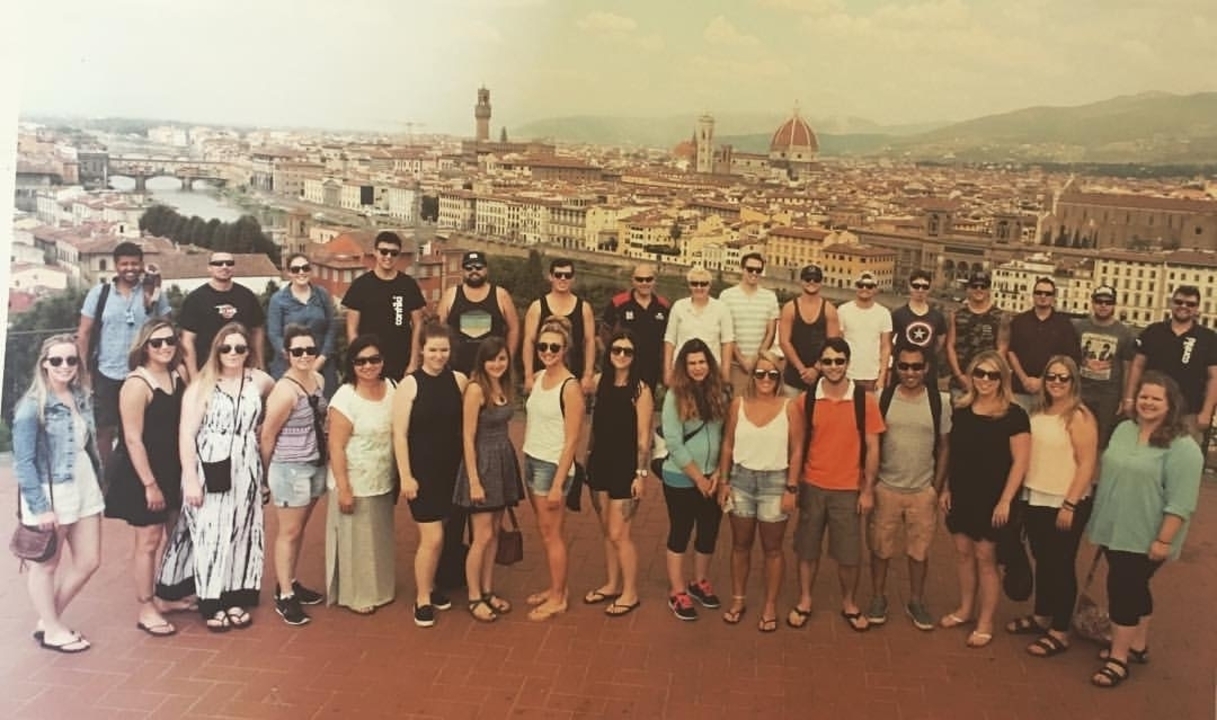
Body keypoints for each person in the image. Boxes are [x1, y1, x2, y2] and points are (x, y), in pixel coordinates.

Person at [1086, 372, 1203, 688]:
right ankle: (1137, 645)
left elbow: (1182, 501)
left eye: (1156, 398)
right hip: (1114, 526)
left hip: (1147, 534)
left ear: (1170, 404)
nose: (1148, 403)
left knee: (1123, 589)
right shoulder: (1125, 429)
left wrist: (1164, 539)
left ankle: (1118, 658)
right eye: (1144, 396)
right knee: (1136, 587)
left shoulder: (1184, 448)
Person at [159, 322, 274, 632]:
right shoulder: (202, 385)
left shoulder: (259, 381)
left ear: (248, 351)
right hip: (209, 464)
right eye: (226, 348)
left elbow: (277, 404)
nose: (232, 353)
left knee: (242, 530)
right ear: (216, 351)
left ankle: (235, 594)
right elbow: (186, 434)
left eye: (239, 348)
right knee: (211, 531)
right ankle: (211, 600)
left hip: (246, 464)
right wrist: (191, 479)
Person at [12, 334, 104, 653]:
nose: (64, 366)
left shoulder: (80, 396)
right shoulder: (31, 407)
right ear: (44, 364)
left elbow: (85, 445)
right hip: (53, 491)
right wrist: (40, 507)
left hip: (84, 482)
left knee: (89, 560)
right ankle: (52, 628)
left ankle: (48, 618)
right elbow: (22, 463)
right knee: (46, 564)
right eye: (57, 360)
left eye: (71, 360)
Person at [787, 337, 885, 633]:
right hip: (813, 484)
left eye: (839, 361)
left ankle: (849, 603)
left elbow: (873, 447)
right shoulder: (806, 400)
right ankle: (805, 600)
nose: (833, 367)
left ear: (847, 362)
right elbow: (798, 445)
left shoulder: (863, 401)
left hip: (847, 488)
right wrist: (793, 485)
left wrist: (867, 490)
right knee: (807, 549)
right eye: (827, 361)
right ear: (821, 363)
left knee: (848, 553)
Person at [103, 319, 192, 637]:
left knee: (174, 533)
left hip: (173, 469)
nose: (165, 347)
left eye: (170, 340)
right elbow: (132, 439)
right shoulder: (136, 385)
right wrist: (150, 485)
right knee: (148, 540)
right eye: (157, 343)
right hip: (143, 473)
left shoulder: (178, 374)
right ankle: (146, 606)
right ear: (144, 347)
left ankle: (166, 597)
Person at [1006, 355, 1098, 657]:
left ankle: (1060, 629)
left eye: (1063, 378)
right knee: (1043, 558)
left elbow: (1087, 465)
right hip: (1036, 497)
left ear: (1073, 382)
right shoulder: (1038, 411)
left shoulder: (1079, 416)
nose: (1057, 383)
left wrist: (1070, 504)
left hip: (1065, 501)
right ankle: (1042, 614)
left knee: (1061, 563)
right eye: (1051, 377)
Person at [939, 350, 1030, 649]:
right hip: (963, 493)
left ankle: (985, 620)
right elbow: (955, 454)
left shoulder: (1014, 415)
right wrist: (947, 488)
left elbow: (1020, 462)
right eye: (980, 373)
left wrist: (1006, 501)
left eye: (992, 375)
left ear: (1002, 378)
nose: (985, 380)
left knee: (985, 558)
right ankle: (965, 609)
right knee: (963, 553)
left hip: (994, 498)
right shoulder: (962, 409)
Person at [865, 345, 951, 631]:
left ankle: (916, 600)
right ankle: (878, 597)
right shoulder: (882, 398)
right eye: (903, 366)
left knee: (919, 552)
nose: (910, 372)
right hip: (886, 487)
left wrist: (936, 487)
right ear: (895, 368)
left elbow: (945, 446)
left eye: (916, 367)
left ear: (926, 368)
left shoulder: (941, 401)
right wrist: (870, 483)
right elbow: (871, 443)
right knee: (880, 549)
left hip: (921, 490)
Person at [392, 324, 468, 628]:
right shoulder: (409, 385)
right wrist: (406, 476)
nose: (438, 355)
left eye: (444, 350)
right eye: (433, 349)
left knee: (446, 534)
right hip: (422, 473)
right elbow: (399, 434)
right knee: (432, 537)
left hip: (452, 470)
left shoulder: (459, 380)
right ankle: (422, 597)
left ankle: (433, 586)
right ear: (422, 349)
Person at [716, 351, 798, 632]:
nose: (766, 379)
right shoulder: (738, 404)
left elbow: (797, 450)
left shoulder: (790, 406)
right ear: (752, 376)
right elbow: (727, 444)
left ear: (779, 378)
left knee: (773, 549)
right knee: (740, 544)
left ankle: (770, 604)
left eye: (772, 374)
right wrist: (724, 481)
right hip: (741, 479)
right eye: (760, 373)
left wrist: (792, 488)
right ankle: (738, 599)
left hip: (776, 482)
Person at [76, 241, 171, 468]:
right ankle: (108, 478)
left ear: (142, 265)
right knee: (104, 430)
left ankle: (139, 475)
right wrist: (84, 372)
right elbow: (84, 333)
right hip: (108, 372)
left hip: (144, 373)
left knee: (145, 429)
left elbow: (166, 329)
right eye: (124, 264)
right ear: (116, 266)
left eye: (135, 264)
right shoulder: (99, 294)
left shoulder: (154, 294)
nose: (130, 268)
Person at [258, 325, 329, 626]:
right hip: (289, 467)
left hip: (314, 463)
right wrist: (264, 476)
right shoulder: (284, 391)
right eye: (297, 351)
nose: (304, 356)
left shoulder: (318, 379)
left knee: (300, 530)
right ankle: (284, 594)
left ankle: (291, 580)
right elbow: (267, 436)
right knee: (288, 531)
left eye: (310, 350)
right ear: (287, 354)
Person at [452, 337, 524, 622]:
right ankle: (473, 597)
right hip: (482, 464)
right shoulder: (475, 390)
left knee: (494, 532)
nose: (497, 364)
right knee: (481, 536)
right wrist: (474, 480)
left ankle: (487, 589)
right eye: (492, 359)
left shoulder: (503, 385)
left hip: (502, 461)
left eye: (502, 359)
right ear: (482, 361)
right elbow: (467, 438)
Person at [325, 335, 398, 614]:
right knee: (354, 541)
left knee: (378, 539)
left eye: (374, 359)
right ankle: (356, 595)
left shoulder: (392, 387)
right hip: (353, 480)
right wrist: (344, 487)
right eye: (361, 361)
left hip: (381, 478)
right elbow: (336, 446)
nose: (368, 366)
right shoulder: (345, 397)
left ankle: (380, 589)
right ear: (352, 364)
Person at [583, 330, 653, 618]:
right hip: (600, 463)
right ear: (608, 353)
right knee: (605, 531)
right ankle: (612, 584)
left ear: (634, 356)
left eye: (627, 351)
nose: (621, 356)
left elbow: (643, 436)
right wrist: (586, 458)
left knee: (619, 533)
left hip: (626, 467)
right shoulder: (600, 383)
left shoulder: (641, 390)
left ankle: (630, 592)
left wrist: (641, 474)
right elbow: (595, 425)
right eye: (616, 350)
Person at [660, 338, 728, 621]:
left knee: (709, 531)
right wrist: (698, 477)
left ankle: (699, 581)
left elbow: (726, 437)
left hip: (713, 477)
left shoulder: (720, 393)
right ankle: (677, 591)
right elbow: (674, 442)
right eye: (692, 363)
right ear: (683, 367)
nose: (698, 368)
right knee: (681, 531)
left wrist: (720, 474)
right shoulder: (674, 395)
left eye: (702, 362)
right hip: (681, 477)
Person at [522, 316, 585, 621]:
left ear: (565, 349)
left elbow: (573, 440)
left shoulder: (570, 387)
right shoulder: (537, 378)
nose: (548, 351)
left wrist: (559, 483)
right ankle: (555, 587)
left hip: (552, 467)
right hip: (532, 460)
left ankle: (558, 597)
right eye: (543, 345)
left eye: (554, 347)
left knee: (552, 535)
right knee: (547, 531)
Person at [1124, 284, 1217, 445]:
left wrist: (1207, 412)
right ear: (1171, 304)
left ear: (1197, 309)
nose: (1184, 306)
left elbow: (1214, 377)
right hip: (1151, 409)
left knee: (1186, 460)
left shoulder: (1208, 338)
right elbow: (1137, 366)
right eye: (1179, 302)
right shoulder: (1153, 331)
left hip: (1190, 413)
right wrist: (1129, 398)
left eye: (1190, 304)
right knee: (1147, 454)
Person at [342, 231, 426, 381]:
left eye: (394, 253)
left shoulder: (408, 285)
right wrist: (359, 360)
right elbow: (351, 329)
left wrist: (413, 362)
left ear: (399, 255)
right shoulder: (360, 286)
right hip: (369, 362)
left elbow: (418, 324)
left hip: (401, 361)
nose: (388, 256)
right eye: (384, 251)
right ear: (375, 252)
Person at [179, 252, 266, 377]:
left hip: (241, 367)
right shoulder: (195, 299)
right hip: (207, 369)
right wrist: (193, 375)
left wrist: (259, 362)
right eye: (218, 263)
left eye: (229, 263)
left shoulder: (247, 296)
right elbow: (187, 340)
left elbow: (257, 330)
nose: (224, 266)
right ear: (209, 268)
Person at [436, 250, 519, 375]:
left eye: (478, 267)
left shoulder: (501, 295)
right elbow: (437, 330)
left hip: (493, 369)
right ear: (463, 271)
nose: (474, 271)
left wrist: (507, 358)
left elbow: (514, 328)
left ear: (486, 269)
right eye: (469, 268)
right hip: (456, 369)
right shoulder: (450, 294)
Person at [266, 253, 339, 394]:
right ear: (288, 273)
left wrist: (321, 358)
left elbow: (331, 327)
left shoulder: (322, 294)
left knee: (325, 405)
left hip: (322, 363)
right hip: (289, 365)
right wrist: (297, 359)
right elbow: (274, 335)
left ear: (310, 270)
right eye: (295, 269)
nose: (301, 272)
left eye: (305, 268)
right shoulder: (278, 300)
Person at [522, 259, 597, 394]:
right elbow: (529, 342)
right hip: (543, 374)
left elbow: (590, 342)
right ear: (550, 277)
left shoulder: (584, 309)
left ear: (573, 278)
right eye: (558, 275)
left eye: (567, 275)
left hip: (574, 375)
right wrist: (528, 376)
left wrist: (588, 374)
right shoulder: (537, 307)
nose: (563, 279)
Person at [1006, 277, 1082, 410]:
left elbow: (1070, 359)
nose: (1043, 296)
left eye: (1048, 293)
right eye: (1039, 292)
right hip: (1019, 389)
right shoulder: (1019, 321)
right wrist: (1024, 379)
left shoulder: (1064, 325)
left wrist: (1042, 381)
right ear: (1033, 295)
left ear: (1054, 297)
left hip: (1050, 393)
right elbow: (1011, 351)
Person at [1073, 285, 1135, 449]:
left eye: (1108, 302)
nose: (1103, 305)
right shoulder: (1079, 327)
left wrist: (1124, 397)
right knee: (1076, 436)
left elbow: (1128, 367)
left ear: (1114, 305)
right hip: (1081, 391)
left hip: (1108, 396)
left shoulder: (1125, 333)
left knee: (1101, 441)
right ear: (1092, 303)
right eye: (1099, 301)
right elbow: (1070, 359)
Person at [600, 263, 670, 392]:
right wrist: (616, 354)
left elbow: (667, 339)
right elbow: (605, 332)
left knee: (645, 404)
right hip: (623, 365)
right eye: (640, 279)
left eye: (649, 279)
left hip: (650, 367)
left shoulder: (663, 306)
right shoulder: (618, 302)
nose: (644, 283)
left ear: (655, 281)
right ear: (632, 280)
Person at [663, 266, 734, 386]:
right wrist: (667, 371)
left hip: (711, 370)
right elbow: (670, 340)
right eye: (695, 284)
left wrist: (725, 372)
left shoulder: (722, 308)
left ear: (709, 285)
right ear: (689, 285)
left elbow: (727, 342)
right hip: (682, 369)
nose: (699, 287)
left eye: (703, 284)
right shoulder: (679, 306)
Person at [719, 253, 780, 393]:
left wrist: (756, 358)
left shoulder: (770, 297)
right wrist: (741, 359)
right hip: (734, 364)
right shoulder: (726, 296)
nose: (754, 273)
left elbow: (770, 333)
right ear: (742, 269)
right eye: (750, 269)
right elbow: (726, 332)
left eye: (758, 270)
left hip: (760, 366)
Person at [779, 264, 841, 397]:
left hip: (821, 379)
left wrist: (815, 369)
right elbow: (784, 342)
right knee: (792, 415)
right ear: (801, 282)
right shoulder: (789, 308)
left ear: (821, 283)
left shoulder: (829, 310)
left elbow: (833, 345)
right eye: (808, 279)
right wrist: (802, 369)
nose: (811, 282)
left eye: (816, 279)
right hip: (792, 377)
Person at [945, 270, 1007, 401]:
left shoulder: (1000, 316)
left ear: (989, 290)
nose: (979, 289)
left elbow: (1001, 349)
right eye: (975, 286)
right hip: (961, 382)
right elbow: (950, 346)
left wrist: (991, 376)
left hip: (988, 382)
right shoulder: (956, 315)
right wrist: (959, 376)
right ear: (968, 289)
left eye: (983, 286)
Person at [837, 272, 893, 392]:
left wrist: (882, 376)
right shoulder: (843, 310)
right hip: (848, 374)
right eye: (860, 285)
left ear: (875, 289)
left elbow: (885, 347)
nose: (864, 289)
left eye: (869, 286)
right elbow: (838, 345)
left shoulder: (884, 313)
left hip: (872, 376)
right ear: (855, 287)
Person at [889, 269, 947, 387]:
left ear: (929, 289)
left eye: (924, 287)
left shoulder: (937, 316)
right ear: (910, 287)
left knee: (932, 402)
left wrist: (927, 354)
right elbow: (888, 341)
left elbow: (940, 342)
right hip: (902, 369)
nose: (920, 290)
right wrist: (899, 354)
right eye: (916, 286)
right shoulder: (898, 314)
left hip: (928, 370)